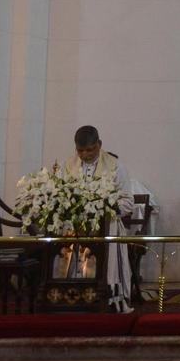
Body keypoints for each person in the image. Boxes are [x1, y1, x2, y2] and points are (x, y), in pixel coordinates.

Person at [63, 125, 136, 312]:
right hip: (77, 228)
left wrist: (107, 207)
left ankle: (110, 300)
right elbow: (62, 195)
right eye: (80, 150)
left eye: (90, 149)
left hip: (107, 227)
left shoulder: (116, 166)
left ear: (99, 144)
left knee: (106, 267)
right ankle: (74, 298)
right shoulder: (68, 166)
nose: (85, 154)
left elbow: (128, 201)